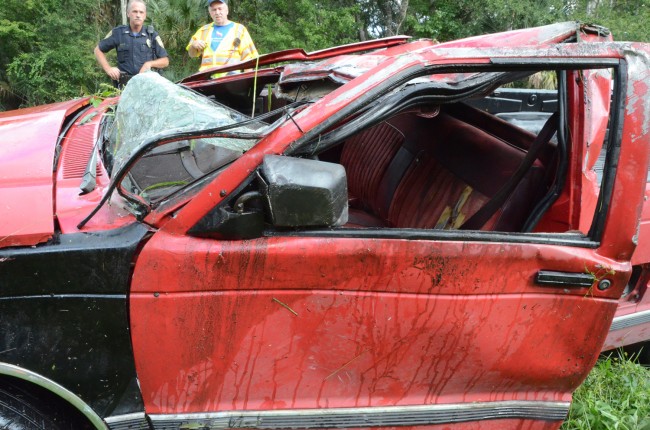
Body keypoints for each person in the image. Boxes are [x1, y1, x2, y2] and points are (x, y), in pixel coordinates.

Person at [94, 0, 169, 88]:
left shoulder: (152, 35)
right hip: (125, 86)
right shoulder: (118, 33)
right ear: (128, 14)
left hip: (147, 85)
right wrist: (108, 69)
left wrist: (149, 64)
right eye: (135, 11)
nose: (138, 15)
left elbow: (165, 61)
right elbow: (97, 50)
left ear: (145, 15)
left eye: (141, 12)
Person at [186, 0, 258, 75]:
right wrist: (194, 45)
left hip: (230, 82)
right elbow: (191, 54)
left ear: (227, 10)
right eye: (214, 10)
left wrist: (248, 83)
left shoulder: (240, 30)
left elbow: (248, 60)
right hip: (207, 81)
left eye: (220, 9)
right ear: (210, 13)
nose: (217, 12)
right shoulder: (203, 30)